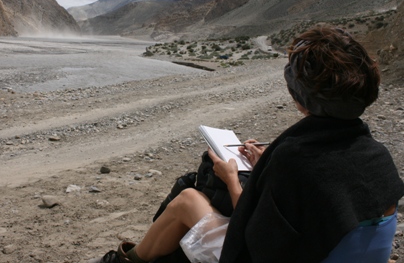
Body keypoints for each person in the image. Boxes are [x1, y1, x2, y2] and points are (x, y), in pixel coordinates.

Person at [94, 27, 404, 263]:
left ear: (299, 99)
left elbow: (258, 237)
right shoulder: (377, 155)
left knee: (188, 198)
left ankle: (126, 259)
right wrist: (263, 168)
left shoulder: (294, 159)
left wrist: (231, 178)